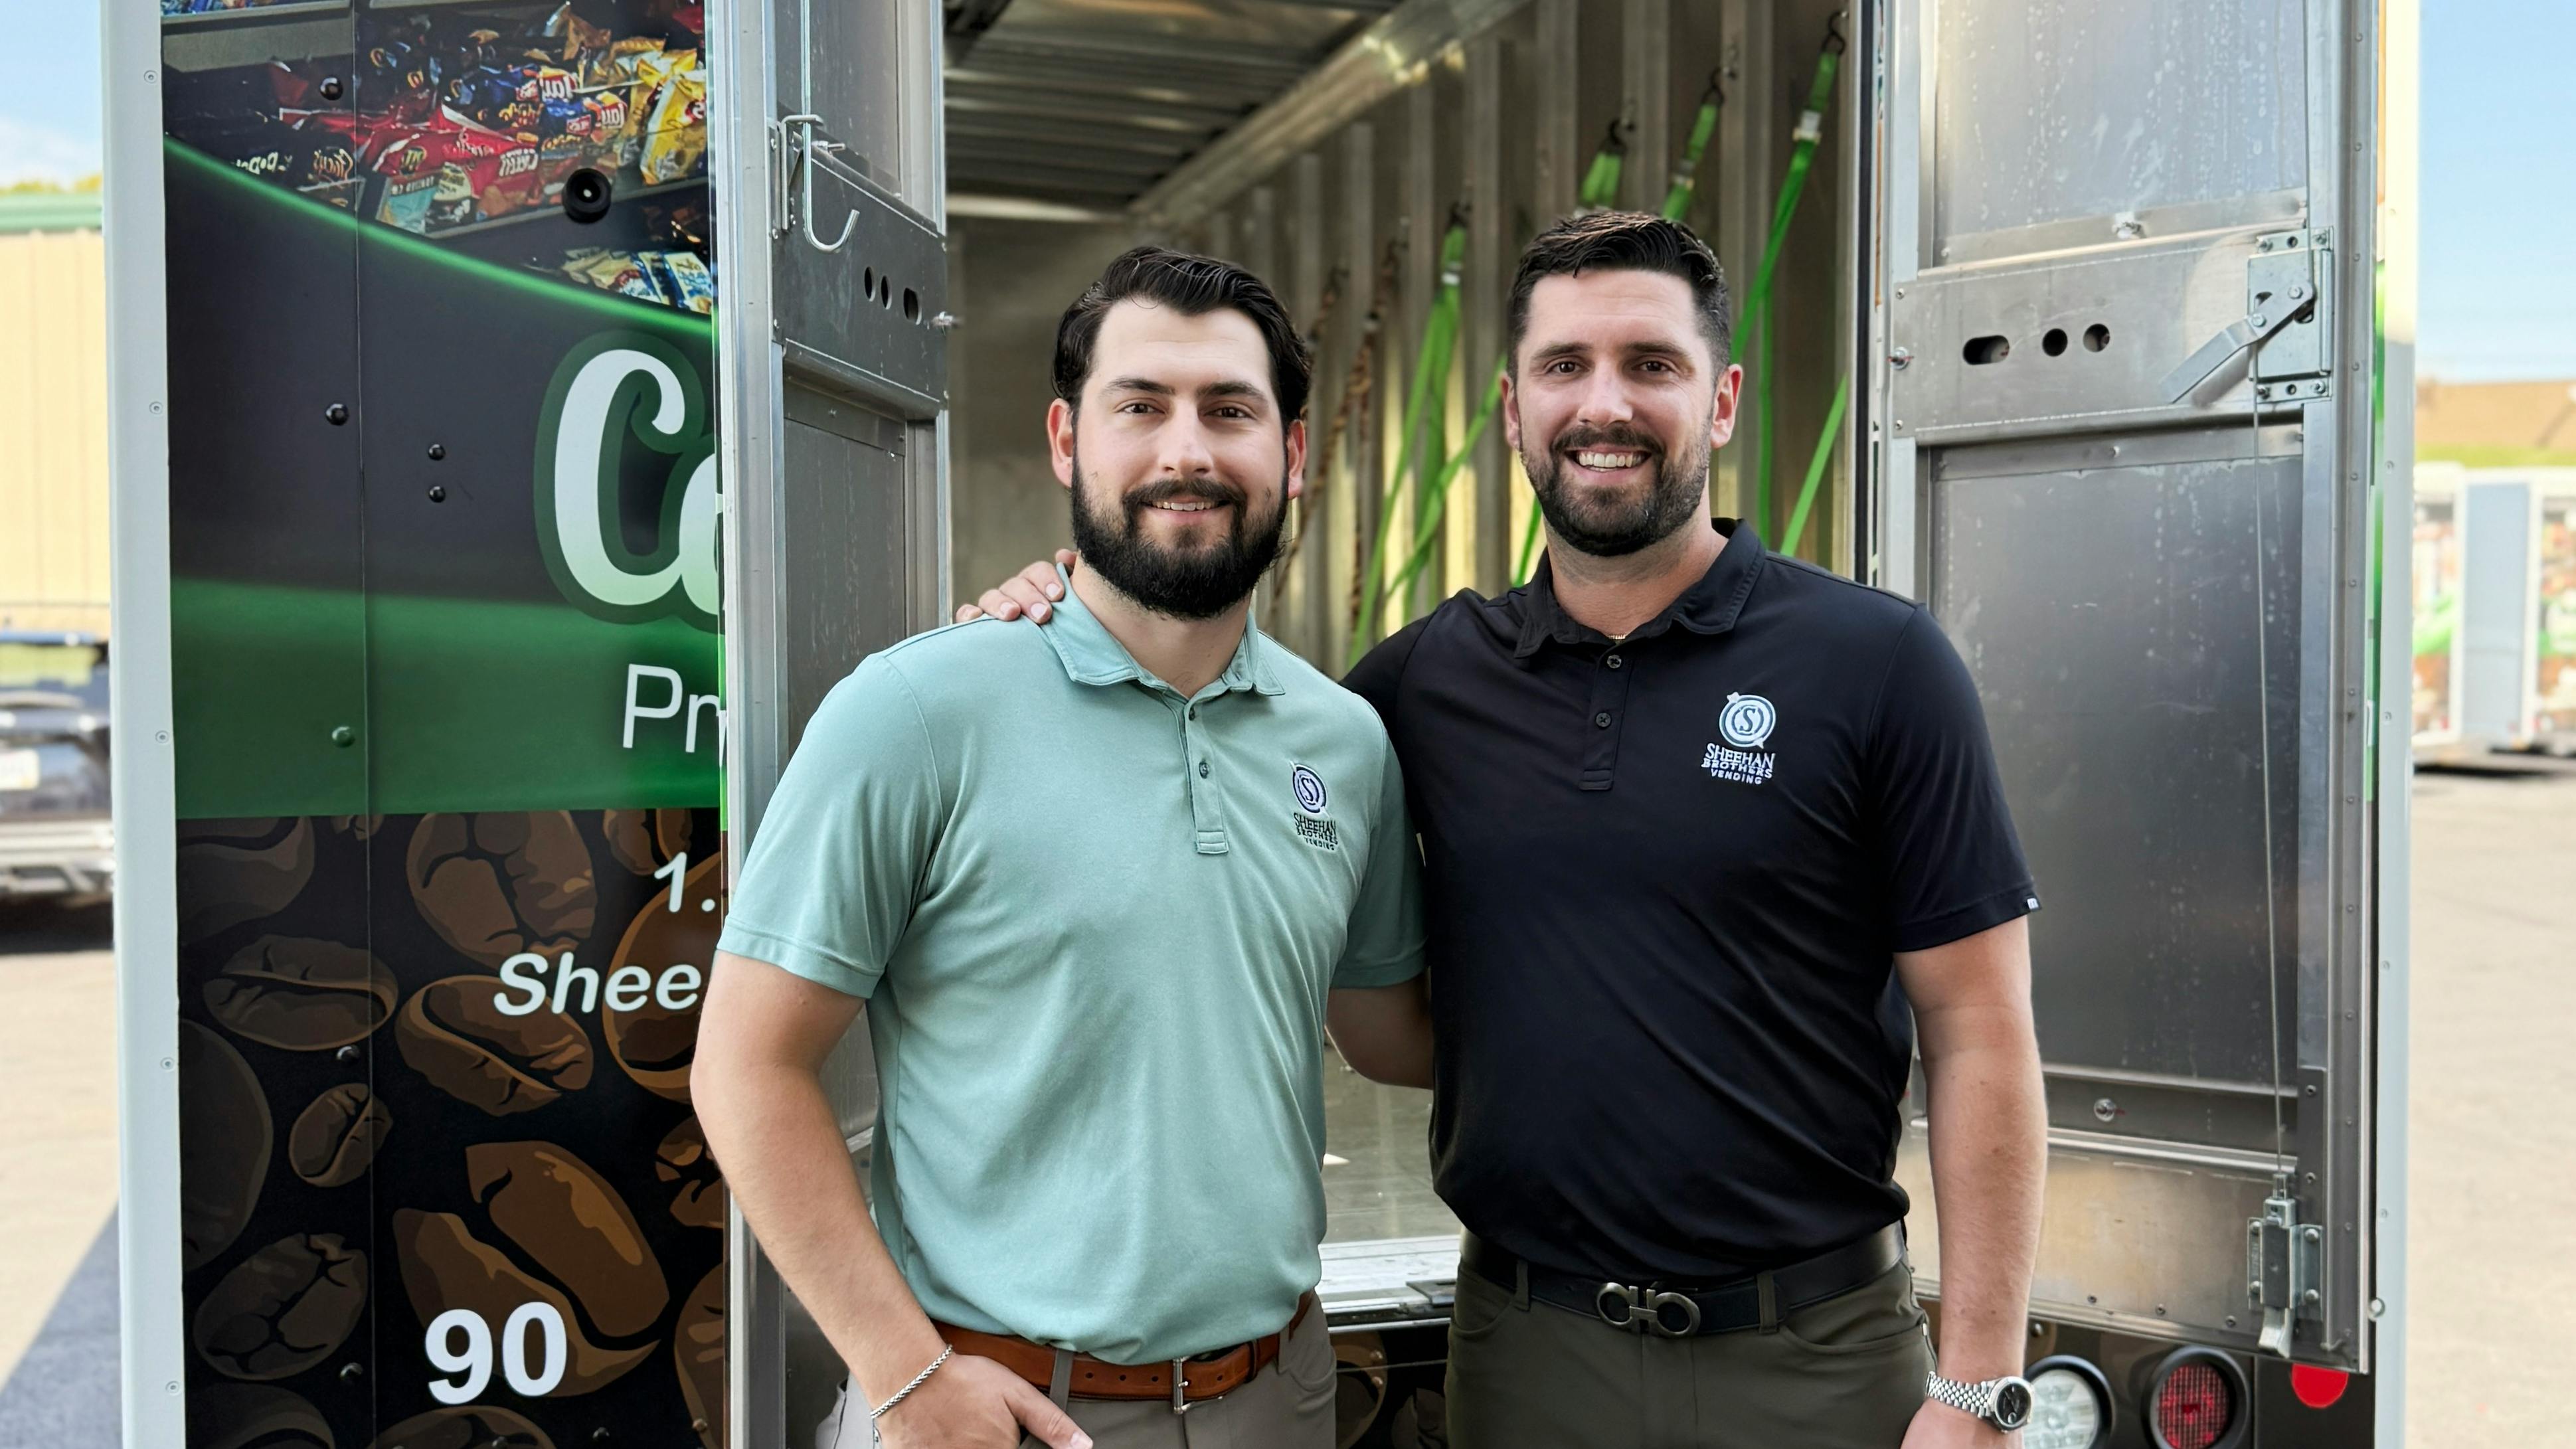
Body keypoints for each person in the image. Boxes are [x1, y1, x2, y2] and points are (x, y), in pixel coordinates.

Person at [963, 212, 2049, 1448]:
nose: (1606, 405)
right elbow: (1204, 721)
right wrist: (1052, 603)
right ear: (1510, 409)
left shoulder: (1881, 663)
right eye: (1564, 368)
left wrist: (1978, 1386)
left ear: (1723, 398)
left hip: (1823, 1354)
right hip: (1531, 1350)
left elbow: (1980, 1031)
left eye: (1652, 364)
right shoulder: (1411, 692)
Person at [695, 246, 1435, 1449]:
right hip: (998, 1411)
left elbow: (1384, 1027)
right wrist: (903, 1373)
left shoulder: (1344, 742)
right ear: (1065, 440)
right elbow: (746, 1066)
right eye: (1139, 406)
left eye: (1230, 411)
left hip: (1282, 1397)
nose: (1185, 451)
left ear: (1293, 456)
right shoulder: (918, 713)